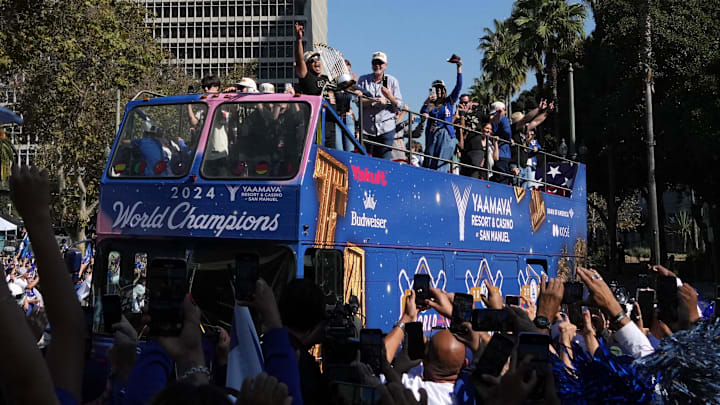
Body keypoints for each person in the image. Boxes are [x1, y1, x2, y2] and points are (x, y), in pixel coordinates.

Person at [355, 51, 403, 160]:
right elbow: (358, 102)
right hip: (367, 129)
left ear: (385, 66)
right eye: (375, 62)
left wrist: (389, 97)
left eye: (380, 63)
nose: (377, 65)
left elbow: (399, 105)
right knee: (365, 161)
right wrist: (373, 101)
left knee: (383, 162)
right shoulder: (363, 80)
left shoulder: (392, 81)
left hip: (386, 129)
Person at [421, 56, 463, 172]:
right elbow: (422, 113)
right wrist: (427, 101)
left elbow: (458, 87)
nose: (438, 90)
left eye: (440, 88)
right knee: (429, 161)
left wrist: (459, 68)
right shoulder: (430, 104)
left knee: (441, 164)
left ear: (444, 90)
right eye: (436, 88)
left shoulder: (449, 102)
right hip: (432, 134)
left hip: (445, 134)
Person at [489, 101, 513, 184]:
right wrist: (509, 139)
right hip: (503, 154)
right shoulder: (503, 119)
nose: (506, 112)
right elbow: (507, 132)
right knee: (504, 180)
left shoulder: (490, 121)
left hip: (494, 153)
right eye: (504, 109)